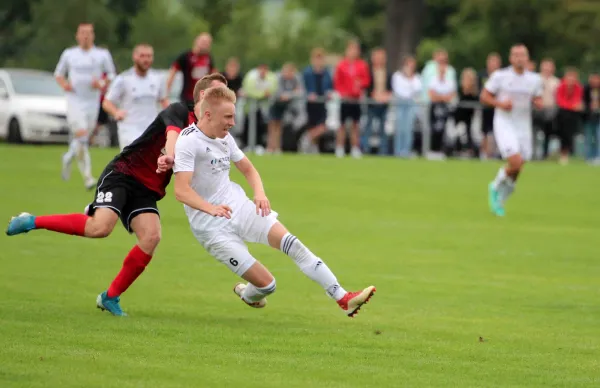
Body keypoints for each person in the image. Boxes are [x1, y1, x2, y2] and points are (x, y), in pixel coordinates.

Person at [5, 74, 229, 317]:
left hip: (147, 189)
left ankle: (110, 297)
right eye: (220, 94)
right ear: (204, 96)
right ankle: (31, 221)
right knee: (100, 227)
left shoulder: (211, 131)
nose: (227, 100)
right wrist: (171, 157)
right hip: (124, 174)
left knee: (151, 237)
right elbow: (172, 135)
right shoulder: (177, 110)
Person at [173, 86, 376, 317]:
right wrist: (212, 209)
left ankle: (342, 297)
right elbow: (181, 191)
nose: (233, 122)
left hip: (240, 208)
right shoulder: (189, 141)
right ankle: (248, 294)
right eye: (228, 117)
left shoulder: (225, 138)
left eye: (233, 116)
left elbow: (248, 169)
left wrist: (259, 194)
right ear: (208, 115)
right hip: (210, 227)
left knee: (293, 244)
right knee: (268, 285)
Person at [481, 44, 543, 217]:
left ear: (527, 58)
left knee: (518, 167)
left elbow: (537, 98)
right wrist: (500, 104)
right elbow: (484, 96)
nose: (519, 58)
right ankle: (495, 186)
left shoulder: (534, 79)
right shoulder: (500, 76)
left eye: (522, 55)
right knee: (515, 162)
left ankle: (501, 200)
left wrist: (538, 103)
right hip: (504, 123)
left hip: (523, 125)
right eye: (516, 55)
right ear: (510, 58)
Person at [54, 23, 116, 190]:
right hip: (74, 100)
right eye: (82, 33)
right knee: (81, 134)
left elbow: (111, 74)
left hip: (92, 100)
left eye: (88, 33)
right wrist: (65, 85)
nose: (85, 36)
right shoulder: (70, 54)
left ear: (93, 35)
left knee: (83, 139)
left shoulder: (101, 54)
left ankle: (68, 157)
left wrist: (101, 83)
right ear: (77, 35)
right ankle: (88, 177)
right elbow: (58, 73)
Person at [103, 44, 170, 151]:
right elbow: (107, 102)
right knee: (132, 162)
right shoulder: (123, 79)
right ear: (135, 57)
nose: (146, 59)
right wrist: (116, 112)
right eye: (142, 56)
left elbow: (164, 100)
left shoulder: (157, 78)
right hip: (129, 129)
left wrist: (170, 116)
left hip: (151, 128)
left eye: (149, 56)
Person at [333, 39, 370, 158]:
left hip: (356, 99)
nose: (353, 52)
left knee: (355, 125)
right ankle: (339, 148)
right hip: (345, 99)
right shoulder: (341, 65)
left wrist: (360, 86)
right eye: (351, 49)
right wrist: (343, 93)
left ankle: (355, 148)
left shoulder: (362, 65)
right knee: (342, 125)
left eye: (355, 49)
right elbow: (337, 82)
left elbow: (366, 80)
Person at [166, 33, 216, 106]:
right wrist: (165, 93)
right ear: (196, 41)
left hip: (203, 99)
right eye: (203, 42)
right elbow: (172, 72)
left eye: (208, 43)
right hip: (187, 98)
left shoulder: (208, 58)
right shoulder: (186, 56)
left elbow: (214, 76)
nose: (206, 45)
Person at [301, 47, 333, 154]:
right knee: (312, 125)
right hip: (311, 104)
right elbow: (304, 87)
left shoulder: (326, 73)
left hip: (322, 103)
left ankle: (307, 138)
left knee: (322, 126)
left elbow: (329, 86)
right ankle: (312, 147)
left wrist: (328, 93)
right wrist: (309, 94)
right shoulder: (308, 72)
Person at [267, 63, 304, 154]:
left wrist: (289, 94)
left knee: (279, 127)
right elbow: (277, 92)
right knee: (272, 126)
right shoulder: (278, 78)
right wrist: (289, 94)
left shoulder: (296, 79)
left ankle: (277, 148)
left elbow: (299, 92)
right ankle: (270, 147)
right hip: (275, 104)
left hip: (285, 106)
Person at [362, 48, 392, 155]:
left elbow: (390, 88)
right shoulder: (368, 71)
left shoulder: (388, 72)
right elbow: (366, 86)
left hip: (383, 104)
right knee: (368, 127)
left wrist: (386, 96)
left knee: (382, 129)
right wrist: (373, 95)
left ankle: (383, 151)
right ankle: (365, 149)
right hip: (371, 103)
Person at [391, 55, 421, 158]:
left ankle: (406, 150)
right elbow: (398, 91)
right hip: (400, 103)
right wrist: (408, 90)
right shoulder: (397, 76)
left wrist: (409, 78)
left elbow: (417, 90)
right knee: (400, 128)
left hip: (411, 104)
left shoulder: (416, 78)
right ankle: (398, 151)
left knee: (408, 129)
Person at [427, 61, 456, 159]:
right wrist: (443, 97)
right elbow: (431, 95)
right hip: (435, 108)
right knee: (434, 129)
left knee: (444, 129)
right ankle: (433, 150)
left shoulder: (449, 82)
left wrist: (440, 96)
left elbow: (452, 95)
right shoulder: (433, 80)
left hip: (445, 108)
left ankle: (441, 150)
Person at [555, 67, 584, 165]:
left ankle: (568, 153)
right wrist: (571, 106)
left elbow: (577, 100)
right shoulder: (561, 86)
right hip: (562, 115)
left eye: (573, 78)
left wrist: (572, 106)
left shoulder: (578, 87)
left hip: (573, 116)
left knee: (570, 134)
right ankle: (563, 153)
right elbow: (560, 101)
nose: (571, 80)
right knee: (563, 134)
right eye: (569, 78)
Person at [478, 52, 502, 160]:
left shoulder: (502, 76)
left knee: (497, 131)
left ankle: (497, 152)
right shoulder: (482, 75)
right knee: (485, 131)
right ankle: (484, 153)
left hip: (498, 108)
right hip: (485, 108)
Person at [453, 68, 479, 157]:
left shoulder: (475, 94)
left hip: (469, 120)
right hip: (457, 119)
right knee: (457, 135)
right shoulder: (459, 91)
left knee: (469, 136)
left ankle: (470, 151)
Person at [583, 72, 600, 163]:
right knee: (589, 138)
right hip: (588, 118)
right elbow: (582, 104)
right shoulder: (586, 89)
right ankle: (588, 157)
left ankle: (598, 156)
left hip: (598, 117)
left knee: (598, 138)